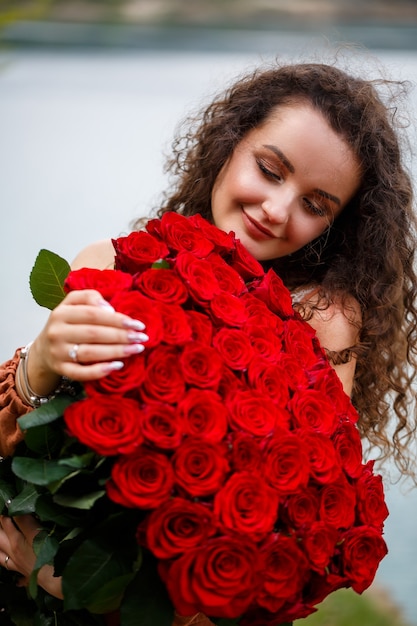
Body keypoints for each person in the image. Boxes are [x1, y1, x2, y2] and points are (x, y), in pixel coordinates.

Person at [0, 59, 416, 625]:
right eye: (270, 170)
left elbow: (286, 541)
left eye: (315, 205)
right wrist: (40, 365)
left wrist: (64, 581)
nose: (277, 210)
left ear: (336, 226)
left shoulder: (323, 320)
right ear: (229, 142)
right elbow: (20, 457)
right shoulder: (110, 263)